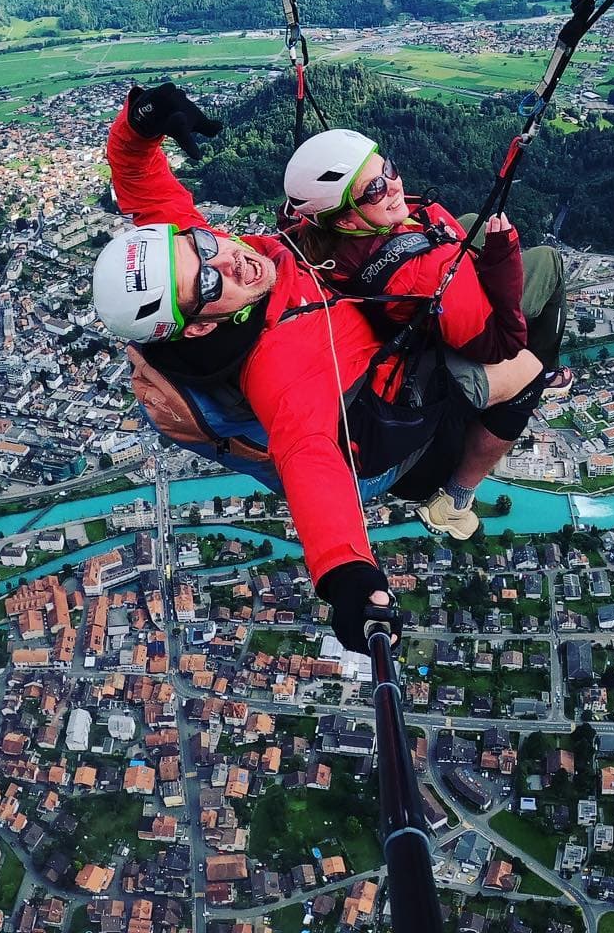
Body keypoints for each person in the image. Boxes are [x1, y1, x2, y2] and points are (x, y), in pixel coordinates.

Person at [91, 83, 537, 653]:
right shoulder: (280, 369)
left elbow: (140, 183)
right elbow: (311, 467)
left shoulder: (207, 271)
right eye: (208, 281)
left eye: (204, 244)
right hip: (388, 431)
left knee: (456, 237)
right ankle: (453, 498)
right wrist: (348, 577)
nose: (231, 260)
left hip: (361, 338)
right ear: (200, 325)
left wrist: (140, 122)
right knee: (529, 367)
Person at [283, 127, 572, 539]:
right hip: (420, 354)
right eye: (374, 190)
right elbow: (501, 343)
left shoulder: (311, 237)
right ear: (346, 218)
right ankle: (457, 499)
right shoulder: (427, 269)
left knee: (470, 223)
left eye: (388, 168)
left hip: (392, 325)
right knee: (549, 265)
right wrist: (504, 258)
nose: (394, 186)